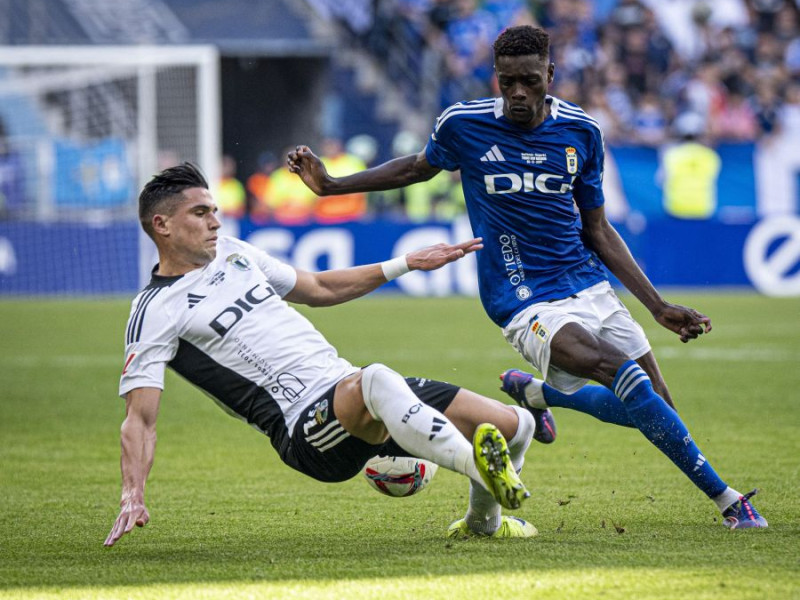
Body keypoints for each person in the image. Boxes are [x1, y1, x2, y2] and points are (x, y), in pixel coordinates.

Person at [287, 25, 766, 529]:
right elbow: (414, 169)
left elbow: (598, 229)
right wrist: (333, 186)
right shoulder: (463, 125)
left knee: (657, 408)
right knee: (616, 371)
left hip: (588, 284)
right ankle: (730, 501)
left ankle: (541, 395)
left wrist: (657, 305)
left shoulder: (582, 132)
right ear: (496, 77)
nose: (518, 92)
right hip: (523, 298)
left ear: (550, 76)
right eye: (508, 81)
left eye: (530, 81)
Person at [104, 162, 537, 548]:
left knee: (516, 425)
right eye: (201, 213)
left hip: (350, 390)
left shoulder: (234, 253)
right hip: (303, 428)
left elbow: (318, 288)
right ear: (161, 225)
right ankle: (480, 469)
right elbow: (140, 419)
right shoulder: (154, 311)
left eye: (214, 210)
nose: (215, 222)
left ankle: (484, 523)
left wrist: (406, 262)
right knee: (377, 377)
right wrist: (133, 494)